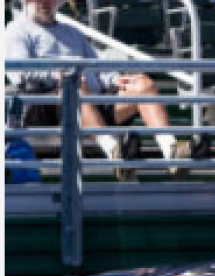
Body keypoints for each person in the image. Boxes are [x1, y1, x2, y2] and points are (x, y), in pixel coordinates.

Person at [5, 0, 196, 181]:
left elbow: (97, 67)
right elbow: (19, 74)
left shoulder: (73, 32)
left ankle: (171, 151)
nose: (46, 3)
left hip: (91, 102)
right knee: (75, 85)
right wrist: (57, 75)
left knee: (143, 84)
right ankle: (114, 152)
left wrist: (117, 80)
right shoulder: (16, 30)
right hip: (47, 107)